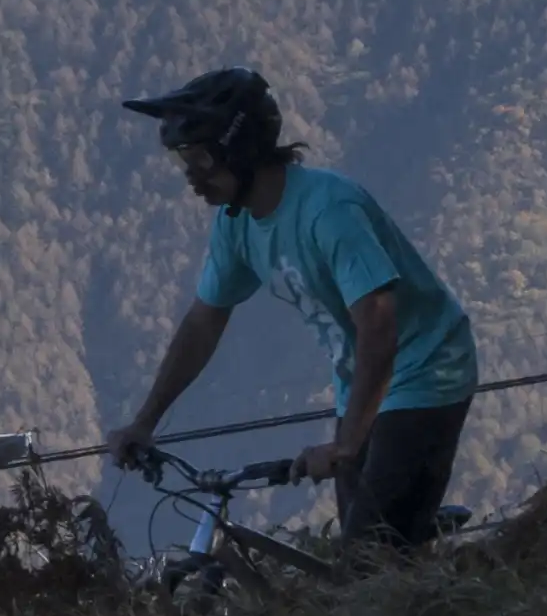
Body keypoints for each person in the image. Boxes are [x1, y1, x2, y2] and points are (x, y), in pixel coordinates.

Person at [106, 67, 477, 555]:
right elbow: (202, 324)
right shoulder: (236, 223)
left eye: (200, 159)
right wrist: (145, 422)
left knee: (370, 557)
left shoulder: (329, 211)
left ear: (240, 149)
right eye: (181, 160)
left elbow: (379, 324)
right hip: (364, 381)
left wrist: (346, 444)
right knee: (374, 547)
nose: (190, 176)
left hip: (427, 368)